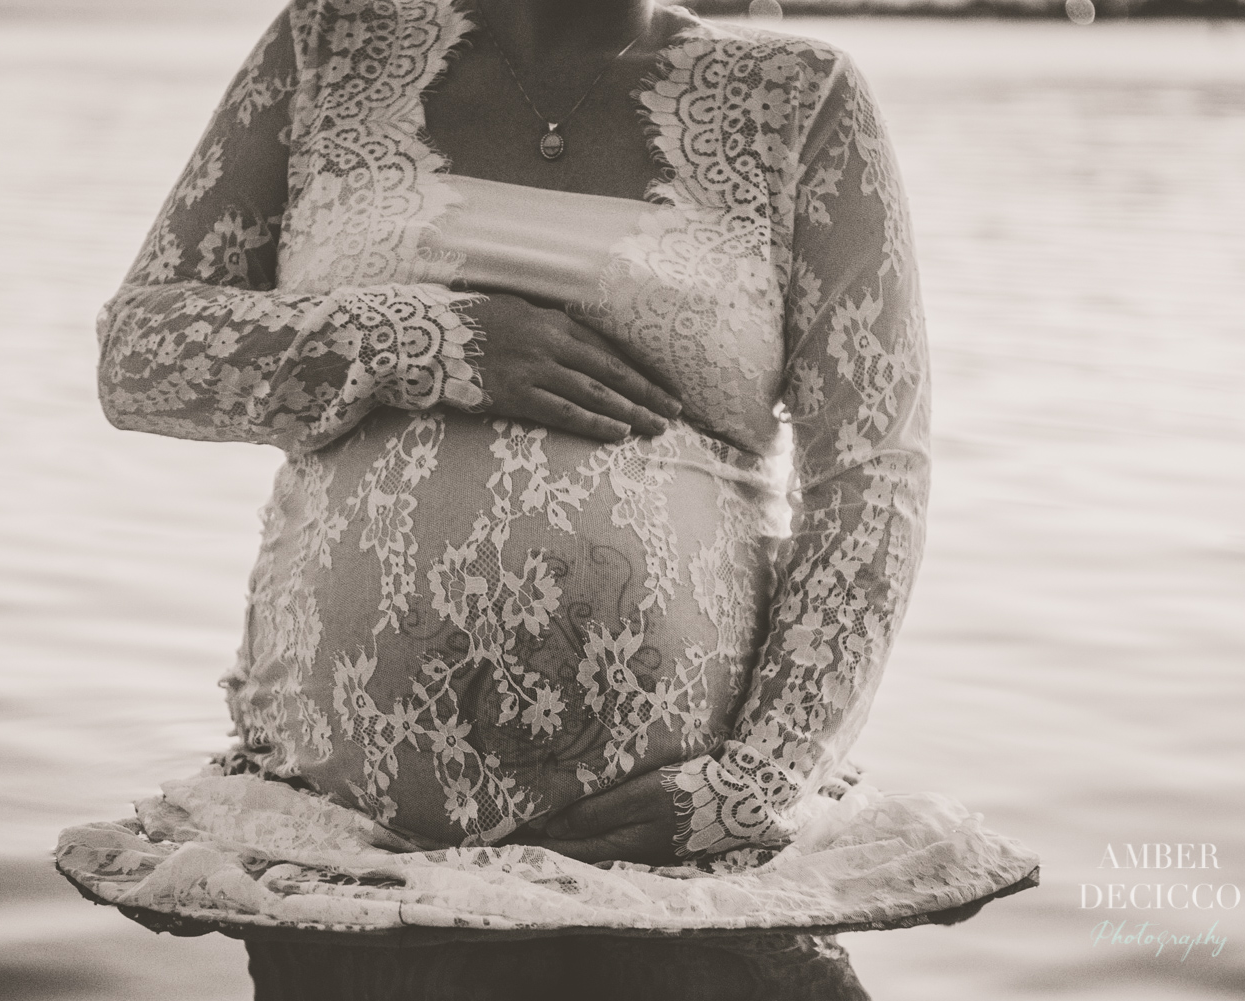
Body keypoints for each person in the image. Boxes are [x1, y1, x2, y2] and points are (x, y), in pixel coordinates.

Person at [56, 1, 1039, 997]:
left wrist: (756, 779)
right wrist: (419, 339)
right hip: (335, 853)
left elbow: (874, 471)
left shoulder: (801, 94)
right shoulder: (329, 41)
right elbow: (141, 358)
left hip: (677, 865)